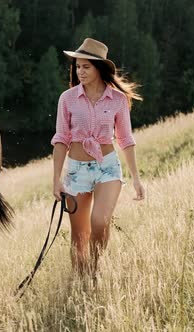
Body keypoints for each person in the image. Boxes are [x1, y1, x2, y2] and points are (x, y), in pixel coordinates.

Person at [51, 38, 145, 283]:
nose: (79, 71)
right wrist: (56, 179)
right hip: (76, 170)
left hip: (107, 167)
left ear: (99, 68)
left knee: (100, 221)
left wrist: (136, 178)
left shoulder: (117, 100)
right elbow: (61, 139)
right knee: (79, 235)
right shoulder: (67, 99)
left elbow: (125, 139)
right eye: (77, 67)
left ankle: (93, 271)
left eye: (86, 67)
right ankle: (80, 281)